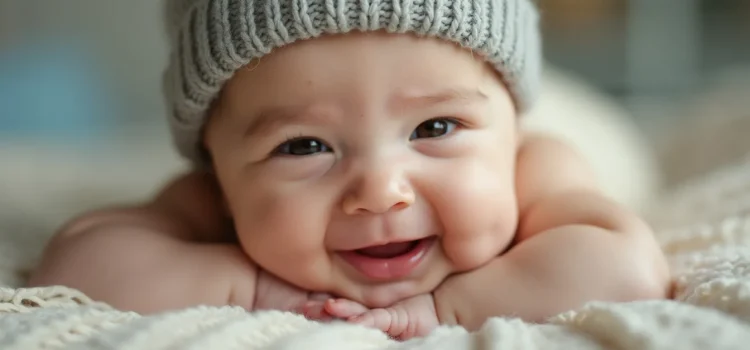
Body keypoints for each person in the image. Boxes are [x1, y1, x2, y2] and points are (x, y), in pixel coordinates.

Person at [28, 0, 671, 340]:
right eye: (305, 146)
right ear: (219, 174)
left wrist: (443, 310)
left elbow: (623, 266)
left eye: (434, 129)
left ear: (508, 132)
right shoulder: (208, 195)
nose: (380, 193)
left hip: (588, 117)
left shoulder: (537, 161)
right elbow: (80, 264)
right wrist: (255, 289)